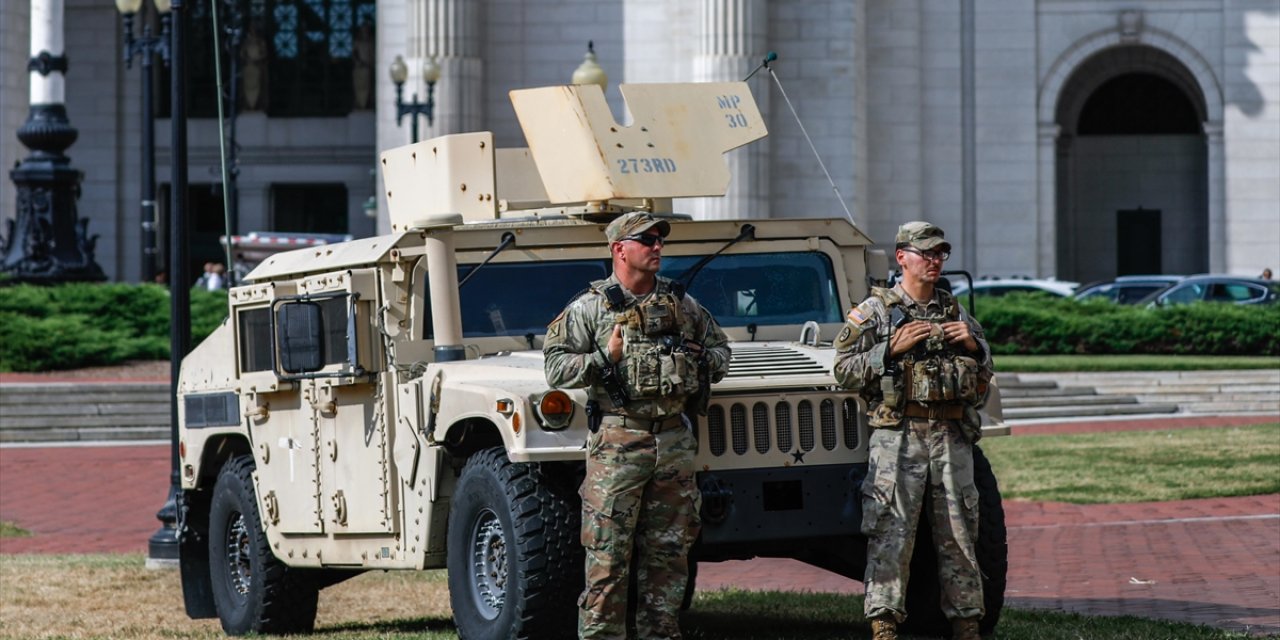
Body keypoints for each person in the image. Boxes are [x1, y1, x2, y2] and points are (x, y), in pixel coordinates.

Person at [543, 212, 730, 639]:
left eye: (660, 239)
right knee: (607, 554)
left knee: (669, 553)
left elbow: (721, 350)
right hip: (618, 442)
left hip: (673, 441)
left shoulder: (682, 304)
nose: (657, 247)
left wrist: (703, 360)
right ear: (619, 249)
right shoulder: (590, 307)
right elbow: (555, 367)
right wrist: (602, 359)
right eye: (646, 240)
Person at [832, 221, 993, 640]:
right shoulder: (876, 312)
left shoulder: (956, 313)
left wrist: (976, 348)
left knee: (960, 533)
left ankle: (967, 621)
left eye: (941, 253)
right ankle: (884, 623)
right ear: (902, 256)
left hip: (951, 436)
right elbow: (842, 370)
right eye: (926, 253)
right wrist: (889, 348)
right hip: (899, 436)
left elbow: (984, 375)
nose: (935, 261)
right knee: (891, 531)